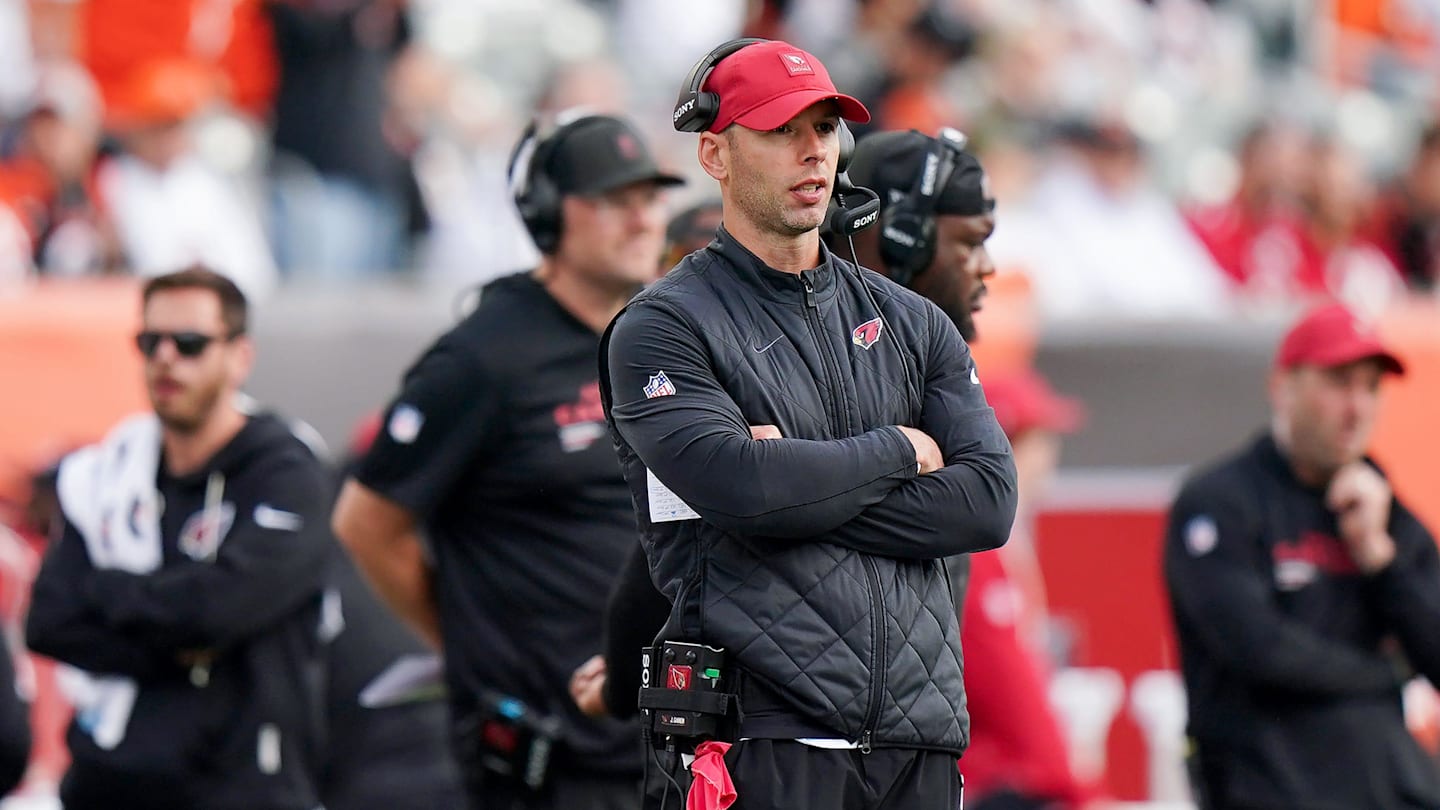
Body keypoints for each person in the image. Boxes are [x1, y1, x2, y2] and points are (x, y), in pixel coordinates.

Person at [600, 38, 1017, 809]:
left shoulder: (916, 322)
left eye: (824, 129)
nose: (812, 152)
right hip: (758, 740)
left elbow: (988, 503)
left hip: (918, 744)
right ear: (715, 154)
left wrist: (797, 485)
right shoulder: (660, 329)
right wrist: (902, 449)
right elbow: (746, 492)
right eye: (780, 130)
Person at [331, 111, 683, 810]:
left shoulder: (662, 338)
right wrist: (463, 642)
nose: (643, 220)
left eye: (649, 198)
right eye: (615, 201)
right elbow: (367, 523)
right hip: (552, 755)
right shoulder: (483, 358)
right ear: (549, 214)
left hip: (659, 735)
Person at [25, 266, 333, 810]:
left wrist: (105, 593)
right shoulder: (105, 473)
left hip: (240, 787)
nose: (166, 358)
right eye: (150, 342)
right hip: (109, 779)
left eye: (189, 344)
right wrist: (186, 648)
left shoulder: (287, 469)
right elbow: (50, 621)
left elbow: (221, 608)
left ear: (240, 356)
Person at [1164, 301, 1440, 809]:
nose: (1358, 407)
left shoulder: (1387, 515)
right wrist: (1384, 675)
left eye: (1371, 387)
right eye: (1339, 383)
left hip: (1386, 784)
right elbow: (1257, 648)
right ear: (1283, 387)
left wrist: (1381, 559)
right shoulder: (1220, 502)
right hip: (1265, 783)